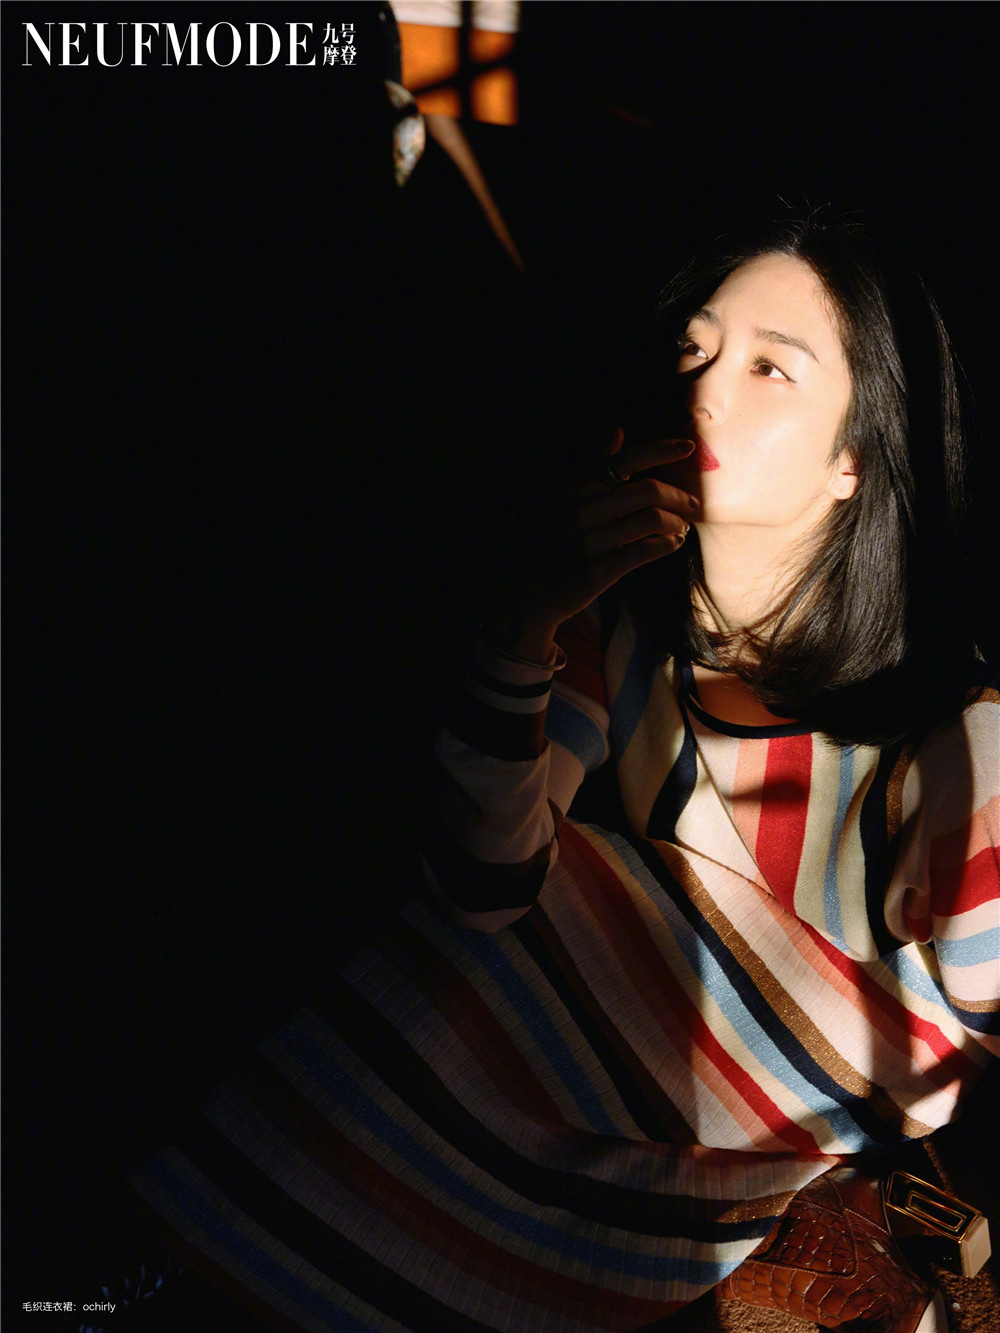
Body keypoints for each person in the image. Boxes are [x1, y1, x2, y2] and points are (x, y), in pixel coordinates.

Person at [130, 212, 998, 1333]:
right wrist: (524, 621)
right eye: (692, 348)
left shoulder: (957, 743)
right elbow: (482, 891)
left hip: (818, 1137)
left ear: (855, 460)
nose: (703, 388)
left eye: (768, 367)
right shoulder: (609, 631)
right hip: (604, 1142)